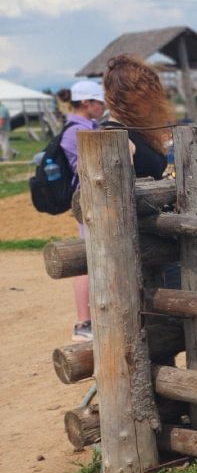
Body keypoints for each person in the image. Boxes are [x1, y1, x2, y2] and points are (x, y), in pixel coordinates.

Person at [60, 79, 105, 340]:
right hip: (87, 201)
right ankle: (82, 323)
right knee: (87, 262)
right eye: (99, 102)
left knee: (93, 259)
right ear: (86, 102)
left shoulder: (83, 127)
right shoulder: (78, 132)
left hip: (90, 200)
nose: (102, 107)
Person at [101, 55, 173, 181]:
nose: (152, 103)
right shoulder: (116, 139)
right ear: (125, 98)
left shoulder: (135, 130)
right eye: (144, 97)